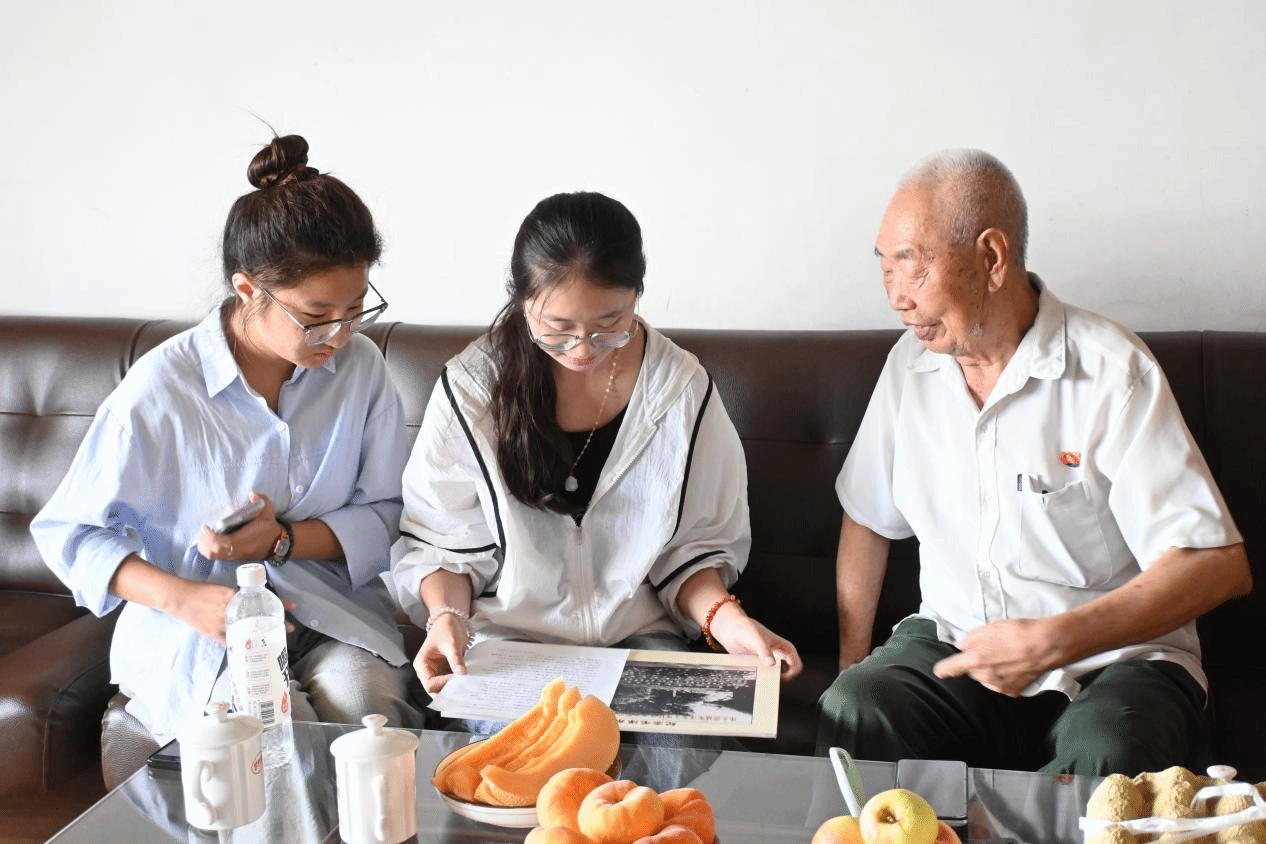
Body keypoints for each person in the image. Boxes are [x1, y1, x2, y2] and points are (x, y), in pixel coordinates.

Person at [815, 149, 1251, 775]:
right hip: (958, 647)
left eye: (912, 268)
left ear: (992, 258)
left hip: (1116, 665)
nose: (897, 299)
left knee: (1106, 745)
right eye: (885, 269)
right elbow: (867, 517)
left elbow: (1217, 565)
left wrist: (1054, 640)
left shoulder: (1112, 370)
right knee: (856, 707)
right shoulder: (908, 369)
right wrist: (852, 661)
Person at [31, 133, 422, 743]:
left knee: (368, 721)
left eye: (355, 310)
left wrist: (283, 540)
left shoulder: (361, 369)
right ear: (247, 291)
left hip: (333, 614)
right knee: (274, 734)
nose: (340, 335)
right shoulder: (162, 388)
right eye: (316, 317)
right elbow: (69, 534)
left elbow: (387, 512)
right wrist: (186, 600)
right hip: (200, 632)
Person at [391, 191, 803, 706]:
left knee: (682, 751)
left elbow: (692, 550)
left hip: (642, 641)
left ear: (637, 296)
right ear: (522, 301)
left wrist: (730, 621)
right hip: (512, 645)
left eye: (610, 325)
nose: (583, 349)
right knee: (524, 751)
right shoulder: (472, 390)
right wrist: (447, 618)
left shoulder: (679, 388)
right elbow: (444, 545)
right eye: (558, 329)